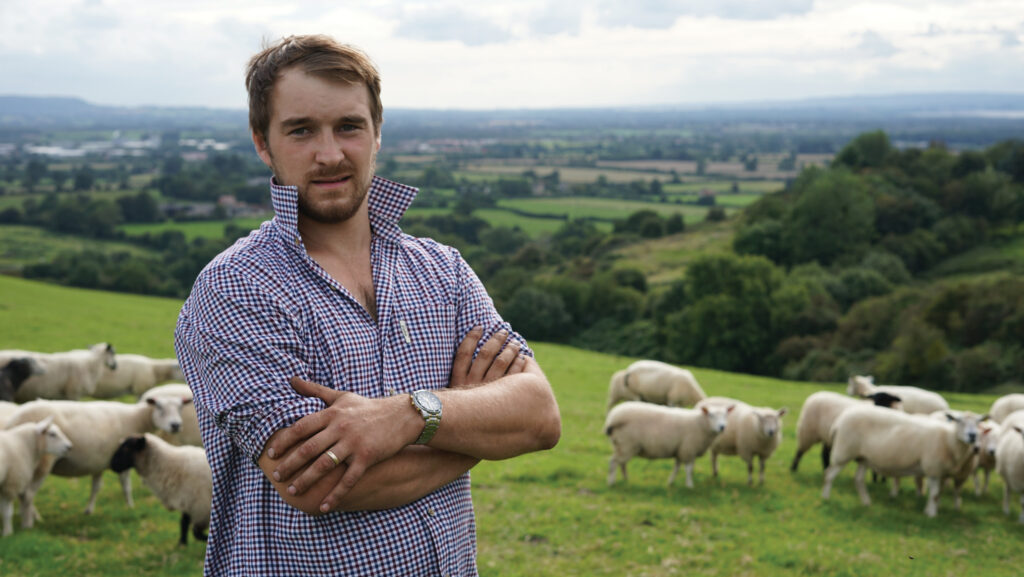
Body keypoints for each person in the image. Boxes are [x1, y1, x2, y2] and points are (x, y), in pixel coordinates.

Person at [174, 34, 561, 576]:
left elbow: (539, 416)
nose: (329, 153)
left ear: (377, 132)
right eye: (301, 130)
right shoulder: (237, 289)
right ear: (263, 142)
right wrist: (474, 429)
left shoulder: (442, 271)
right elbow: (319, 483)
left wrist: (407, 417)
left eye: (349, 126)